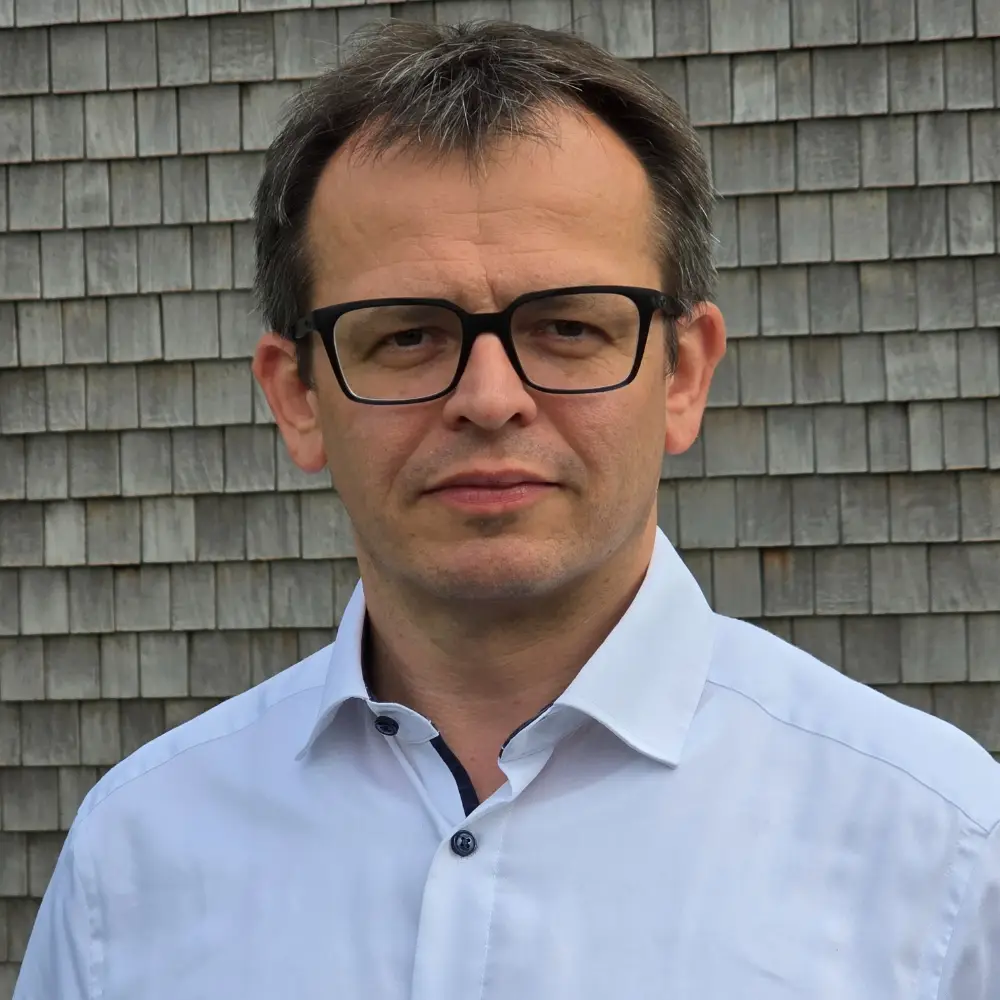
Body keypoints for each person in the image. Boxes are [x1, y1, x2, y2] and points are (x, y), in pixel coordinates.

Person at [14, 19, 1000, 1000]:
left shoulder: (942, 853)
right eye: (406, 337)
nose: (489, 400)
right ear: (298, 397)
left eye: (566, 326)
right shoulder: (132, 862)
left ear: (682, 376)